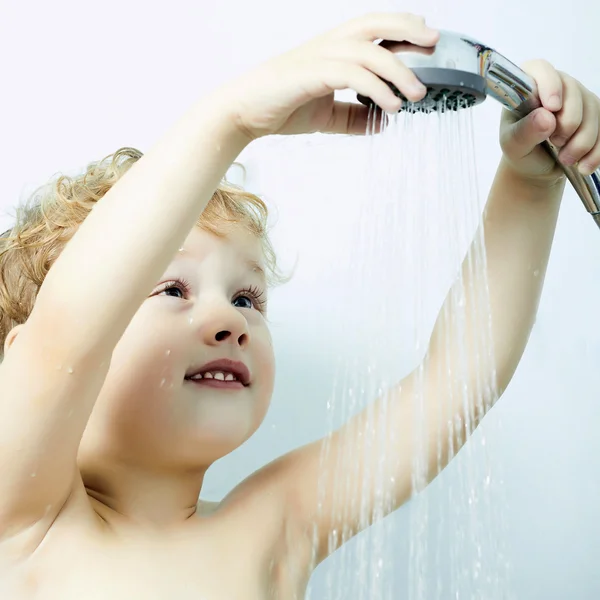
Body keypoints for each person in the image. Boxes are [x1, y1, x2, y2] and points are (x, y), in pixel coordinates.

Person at [0, 11, 598, 599]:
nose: (231, 322)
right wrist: (229, 120)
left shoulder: (274, 526)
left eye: (246, 297)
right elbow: (65, 339)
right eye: (172, 289)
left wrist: (529, 182)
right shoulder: (28, 522)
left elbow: (453, 384)